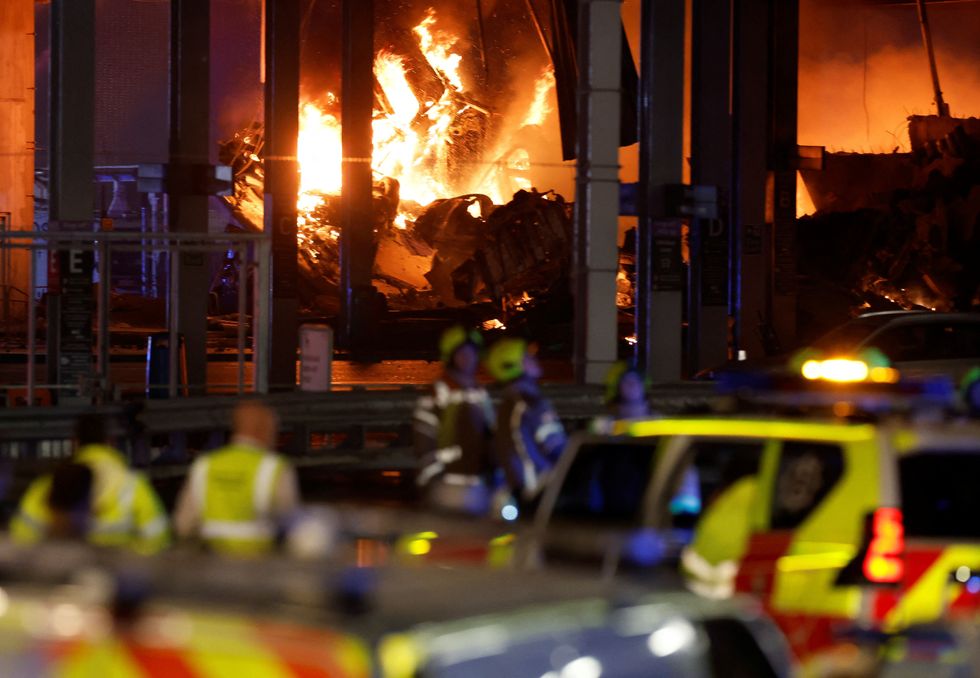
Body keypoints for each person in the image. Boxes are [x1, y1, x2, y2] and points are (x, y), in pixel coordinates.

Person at [10, 414, 170, 554]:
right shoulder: (133, 486)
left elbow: (21, 540)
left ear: (75, 443)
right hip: (116, 579)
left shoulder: (49, 483)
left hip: (61, 578)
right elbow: (159, 543)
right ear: (109, 442)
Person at [173, 400, 299, 556]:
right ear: (263, 429)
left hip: (211, 561)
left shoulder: (205, 465)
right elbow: (290, 524)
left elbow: (183, 525)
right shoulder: (275, 468)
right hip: (260, 562)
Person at [413, 326, 496, 514]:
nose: (468, 358)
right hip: (448, 486)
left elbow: (491, 435)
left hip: (479, 485)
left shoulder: (479, 393)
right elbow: (424, 442)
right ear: (450, 356)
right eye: (462, 353)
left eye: (472, 353)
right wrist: (435, 481)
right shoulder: (437, 394)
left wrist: (495, 477)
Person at [487, 337, 566, 509]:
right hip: (543, 492)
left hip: (518, 492)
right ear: (513, 366)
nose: (534, 359)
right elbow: (557, 448)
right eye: (527, 357)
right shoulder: (531, 404)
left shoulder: (507, 405)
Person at [590, 362, 651, 433]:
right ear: (617, 388)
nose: (632, 385)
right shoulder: (601, 425)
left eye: (637, 381)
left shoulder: (659, 423)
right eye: (626, 381)